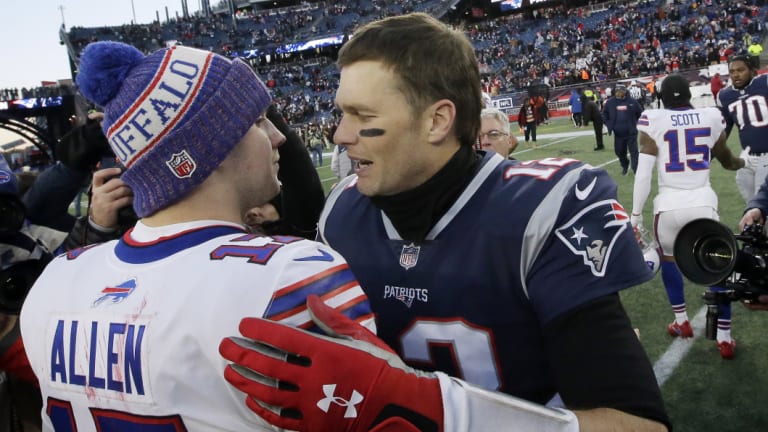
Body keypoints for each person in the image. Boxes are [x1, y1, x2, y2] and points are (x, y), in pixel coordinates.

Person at [219, 13, 670, 432]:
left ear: (437, 120)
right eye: (341, 113)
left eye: (362, 116)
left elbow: (638, 425)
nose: (340, 134)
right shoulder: (342, 211)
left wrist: (423, 403)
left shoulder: (542, 209)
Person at [19, 40, 374, 431]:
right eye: (257, 121)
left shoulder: (56, 280)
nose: (278, 137)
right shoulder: (292, 275)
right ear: (209, 148)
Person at [630, 74, 746, 359]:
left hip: (668, 206)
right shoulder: (710, 116)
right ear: (689, 95)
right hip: (703, 203)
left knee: (669, 261)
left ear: (662, 97)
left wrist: (635, 215)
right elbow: (728, 160)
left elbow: (643, 173)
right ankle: (724, 336)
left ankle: (681, 321)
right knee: (717, 265)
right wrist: (746, 162)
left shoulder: (652, 119)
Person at [717, 54, 768, 203]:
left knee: (762, 204)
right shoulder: (725, 96)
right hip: (747, 158)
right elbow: (723, 130)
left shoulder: (764, 83)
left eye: (741, 70)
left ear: (752, 71)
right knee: (751, 204)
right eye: (732, 71)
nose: (736, 75)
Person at [603, 84, 644, 176]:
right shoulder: (610, 102)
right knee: (620, 152)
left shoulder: (632, 102)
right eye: (617, 91)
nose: (618, 93)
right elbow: (605, 115)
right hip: (618, 133)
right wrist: (610, 125)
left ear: (625, 91)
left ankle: (636, 169)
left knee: (634, 152)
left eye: (620, 91)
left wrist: (635, 124)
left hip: (631, 132)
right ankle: (625, 165)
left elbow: (640, 113)